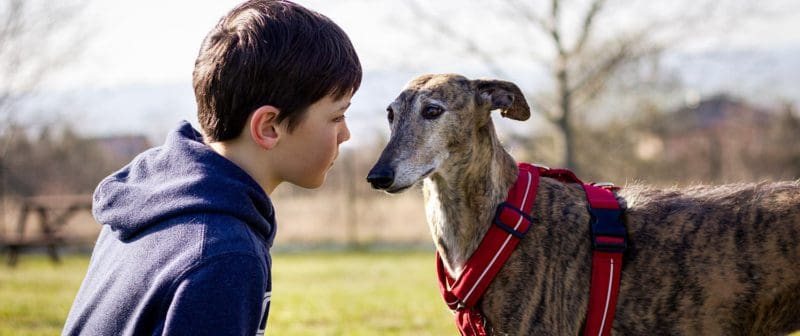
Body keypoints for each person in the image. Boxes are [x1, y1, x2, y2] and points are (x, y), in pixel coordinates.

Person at [62, 1, 361, 334]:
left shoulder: (152, 208)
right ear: (268, 127)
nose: (346, 134)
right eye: (337, 116)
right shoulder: (224, 254)